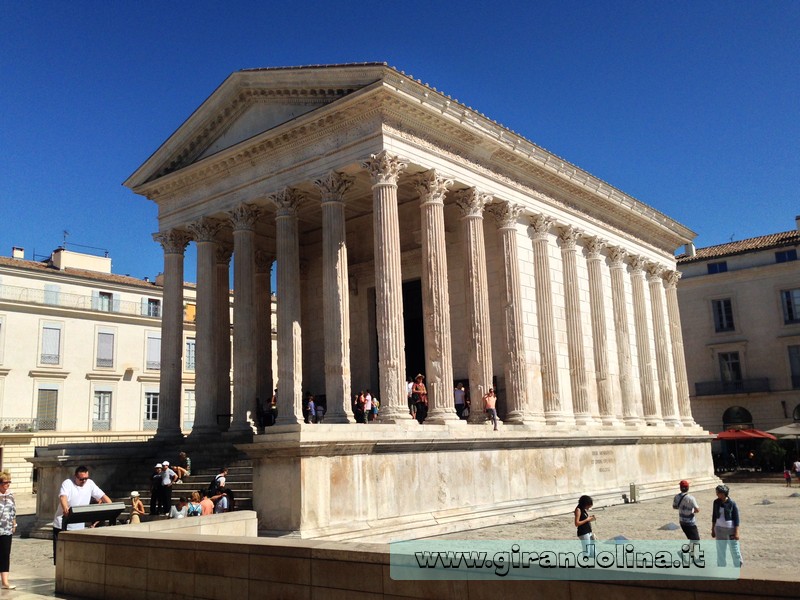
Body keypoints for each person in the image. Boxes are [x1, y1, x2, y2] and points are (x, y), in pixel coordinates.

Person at [52, 466, 111, 564]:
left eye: (85, 478)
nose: (84, 481)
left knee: (76, 556)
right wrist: (66, 509)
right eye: (81, 479)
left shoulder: (90, 484)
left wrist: (110, 505)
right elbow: (63, 497)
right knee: (61, 557)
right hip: (62, 525)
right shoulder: (68, 483)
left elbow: (102, 496)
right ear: (75, 476)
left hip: (79, 526)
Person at [711, 484, 742, 567]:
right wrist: (713, 529)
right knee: (720, 550)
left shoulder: (732, 503)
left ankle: (738, 565)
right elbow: (714, 516)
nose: (716, 494)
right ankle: (721, 567)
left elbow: (736, 519)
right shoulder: (716, 502)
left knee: (734, 549)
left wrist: (737, 532)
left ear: (723, 493)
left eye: (718, 493)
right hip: (719, 529)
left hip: (730, 530)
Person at [0, 471, 17, 589]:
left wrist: (14, 524)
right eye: (6, 482)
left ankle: (5, 582)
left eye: (9, 482)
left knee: (5, 554)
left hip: (6, 529)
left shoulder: (10, 495)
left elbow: (13, 511)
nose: (8, 485)